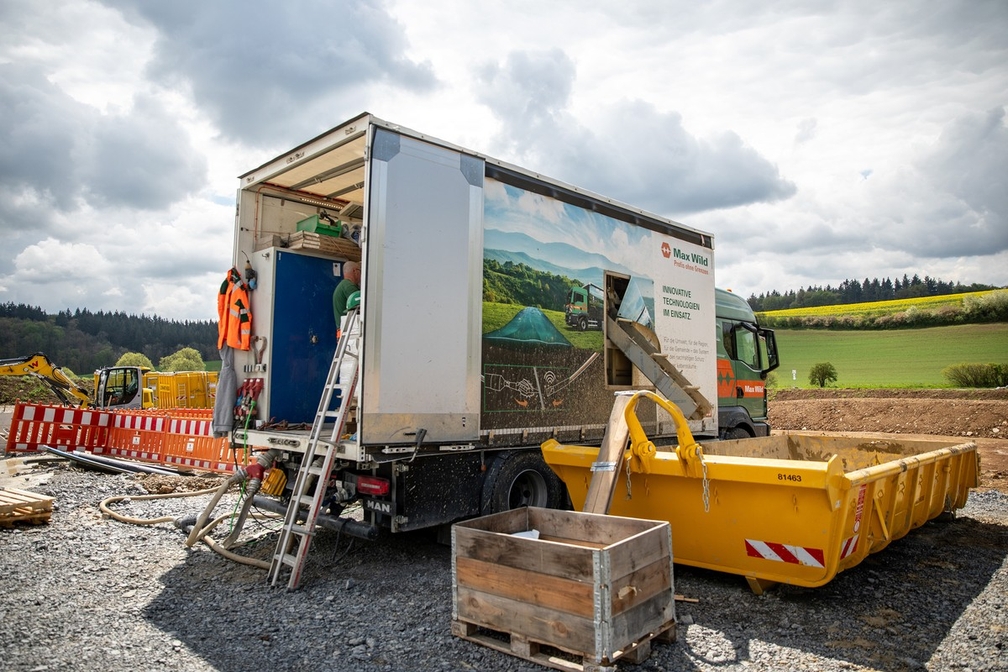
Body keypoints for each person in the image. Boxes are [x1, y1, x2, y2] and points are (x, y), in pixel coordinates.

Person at [332, 260, 361, 327]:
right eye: (360, 271)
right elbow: (360, 306)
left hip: (343, 330)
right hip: (348, 329)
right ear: (355, 271)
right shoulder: (348, 286)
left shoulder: (343, 285)